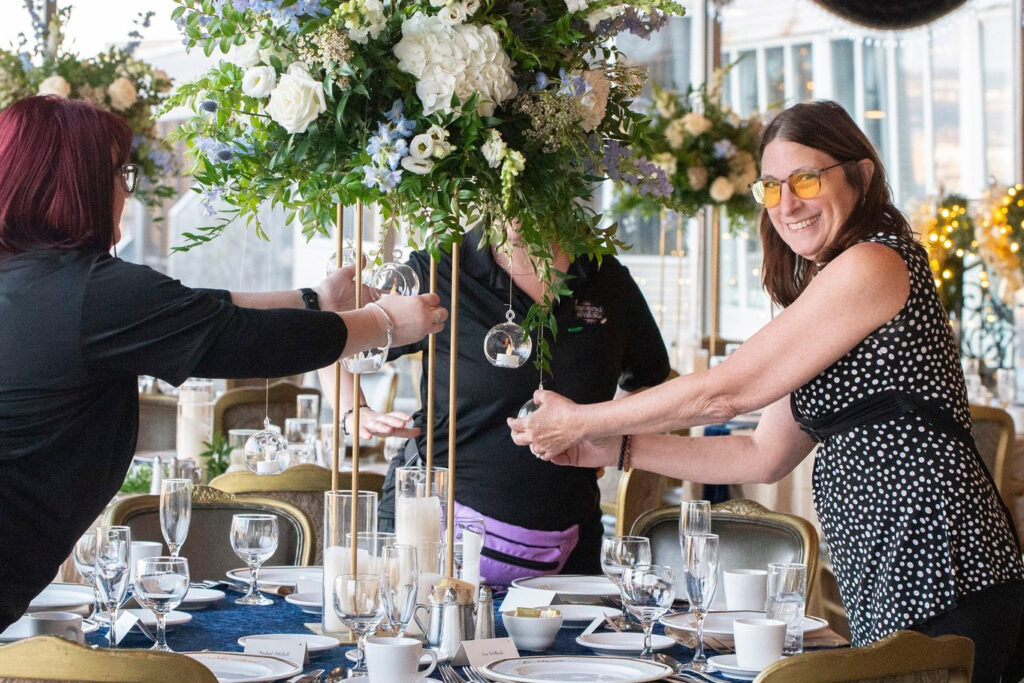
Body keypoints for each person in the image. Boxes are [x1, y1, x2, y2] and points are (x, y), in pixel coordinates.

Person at [510, 101, 1024, 681]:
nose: (789, 203)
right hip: (886, 565)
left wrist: (584, 420)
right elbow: (763, 454)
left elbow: (728, 393)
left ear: (864, 175)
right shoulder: (830, 285)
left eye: (806, 178)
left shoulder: (876, 261)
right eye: (773, 187)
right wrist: (619, 448)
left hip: (942, 557)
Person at [0, 95, 448, 632]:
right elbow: (244, 340)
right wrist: (385, 322)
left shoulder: (34, 280)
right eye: (121, 172)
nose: (126, 190)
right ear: (78, 182)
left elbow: (191, 306)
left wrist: (314, 299)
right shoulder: (89, 293)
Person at [325, 226, 670, 585]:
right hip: (433, 532)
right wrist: (355, 412)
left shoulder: (604, 277)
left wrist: (604, 437)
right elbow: (332, 337)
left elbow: (649, 375)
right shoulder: (441, 270)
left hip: (571, 540)